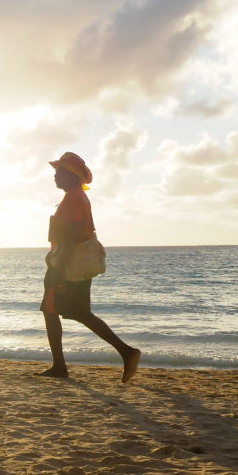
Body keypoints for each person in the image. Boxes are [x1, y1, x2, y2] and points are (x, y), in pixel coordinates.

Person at [38, 151, 140, 382]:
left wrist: (58, 272)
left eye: (60, 172)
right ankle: (125, 353)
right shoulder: (76, 197)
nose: (55, 176)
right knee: (74, 312)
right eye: (56, 172)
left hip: (66, 266)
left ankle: (61, 367)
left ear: (72, 176)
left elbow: (69, 238)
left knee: (53, 310)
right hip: (72, 264)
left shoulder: (73, 199)